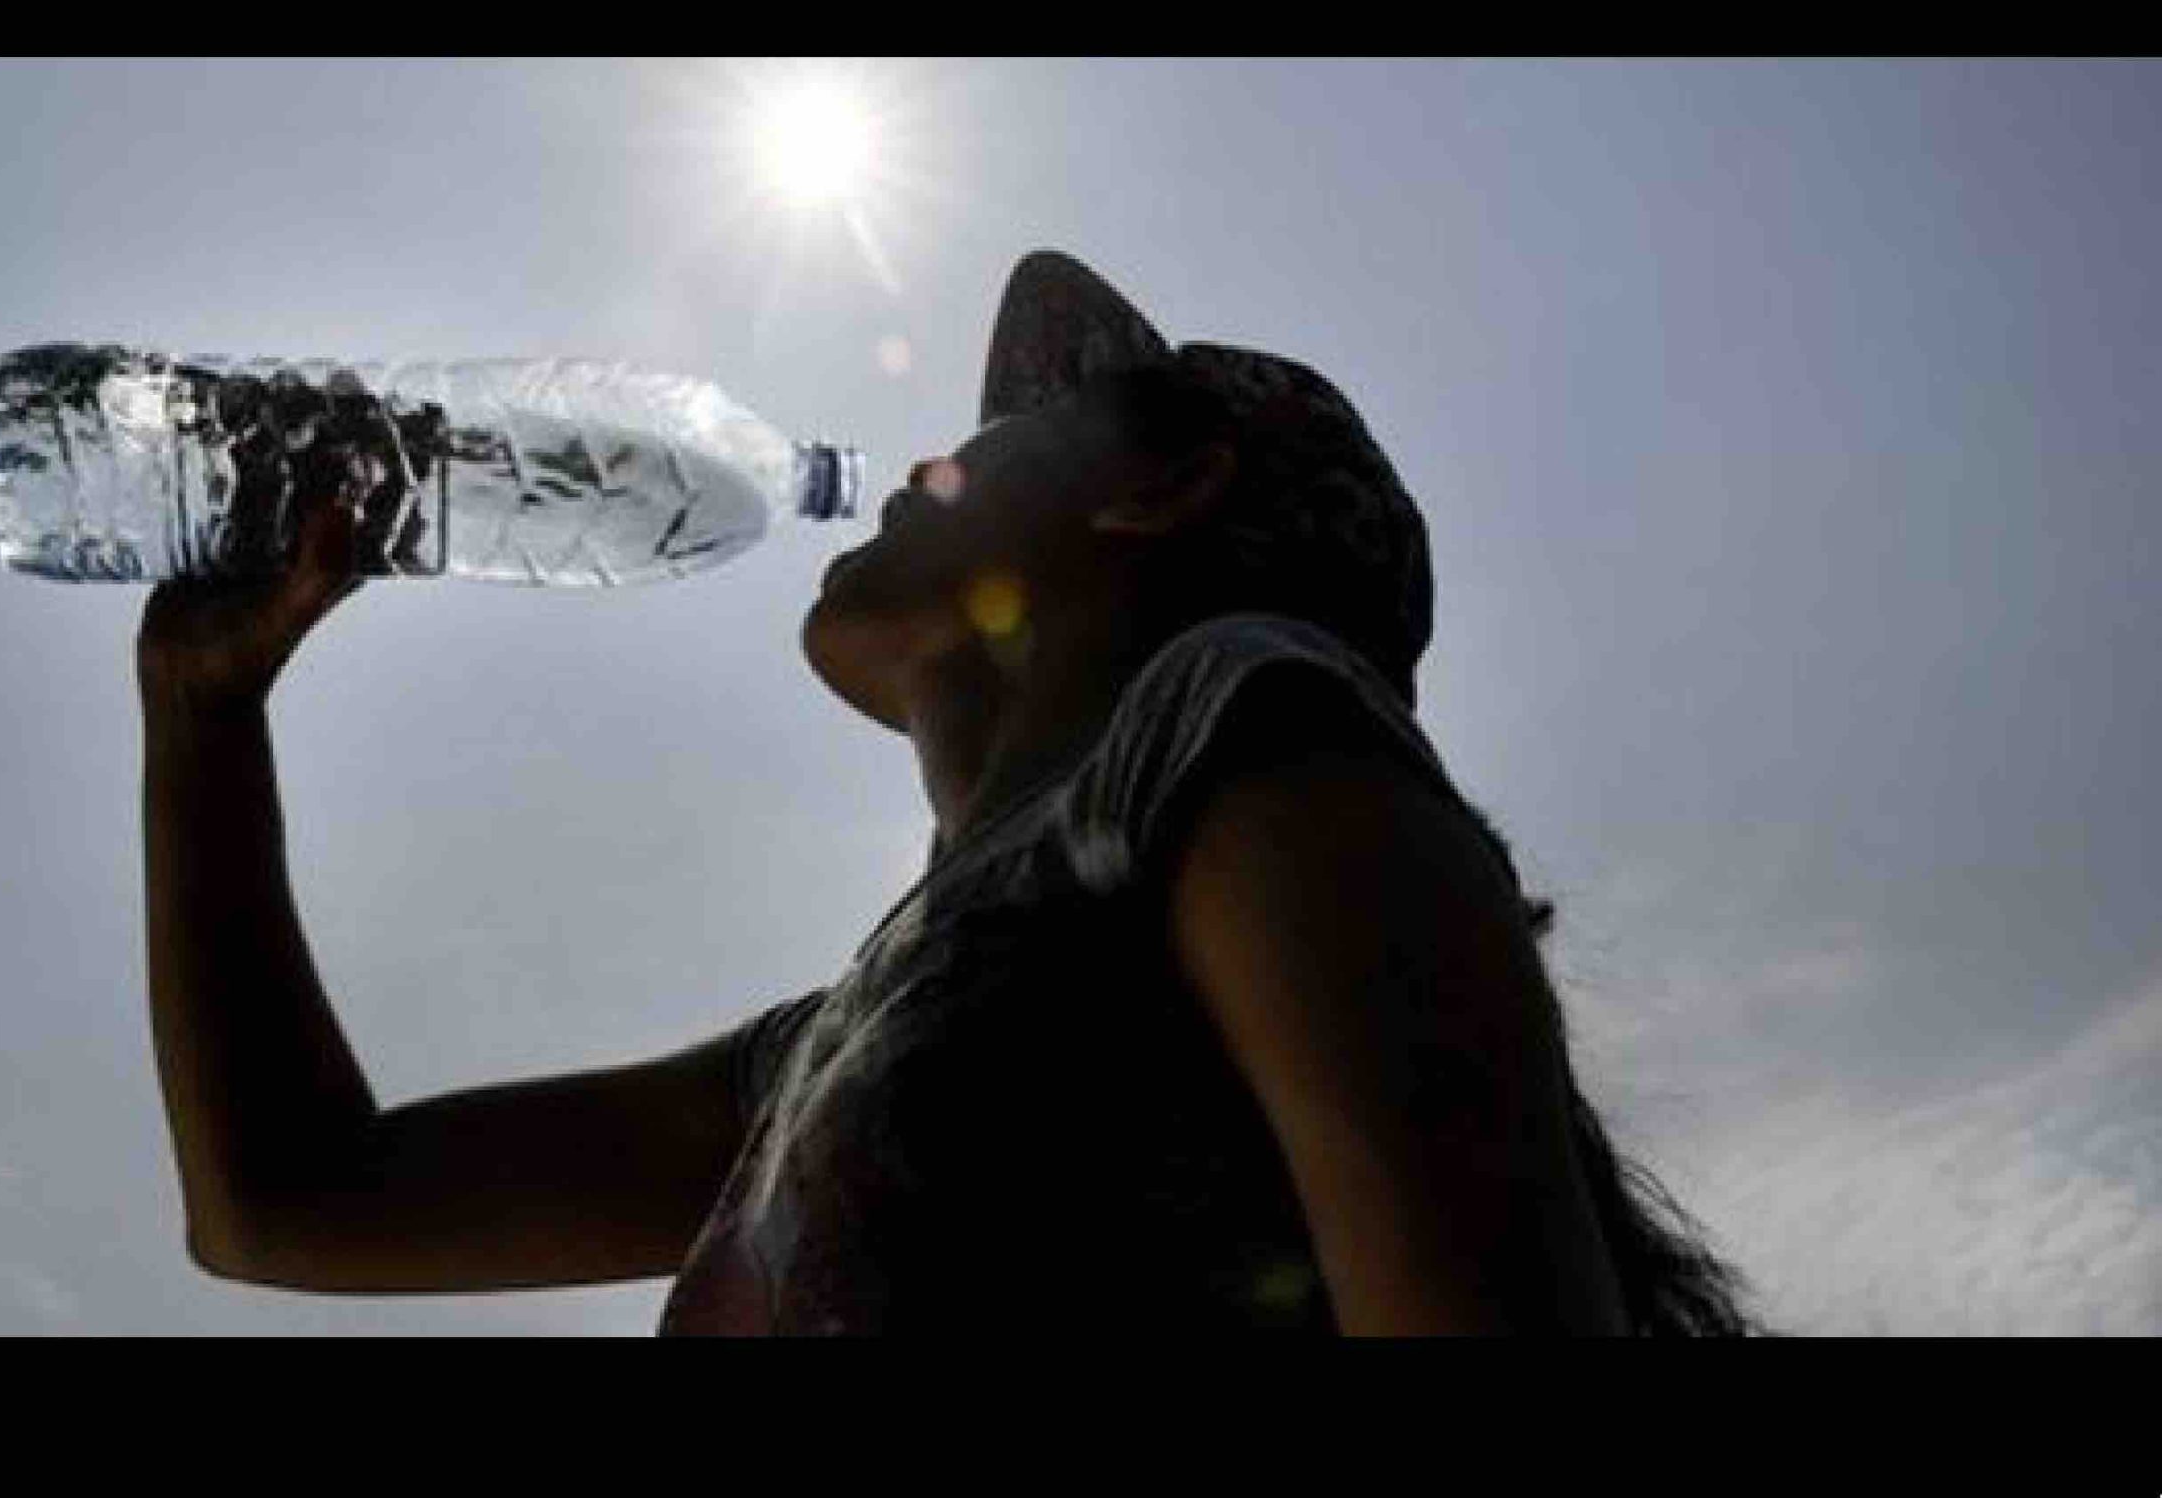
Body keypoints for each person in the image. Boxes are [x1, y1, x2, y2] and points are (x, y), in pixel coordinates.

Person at [137, 250, 1768, 1335]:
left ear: (1167, 488)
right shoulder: (848, 1033)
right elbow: (284, 1204)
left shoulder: (1242, 728)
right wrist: (205, 713)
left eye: (1012, 431)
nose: (927, 467)